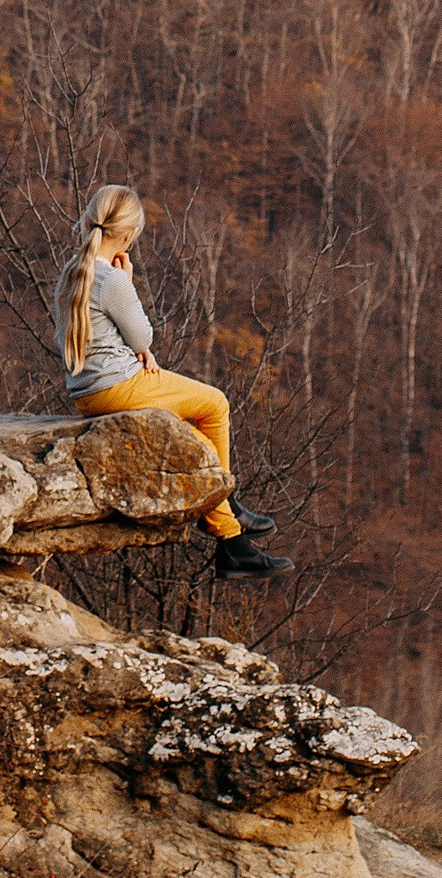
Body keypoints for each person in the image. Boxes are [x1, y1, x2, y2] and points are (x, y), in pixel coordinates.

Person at [55, 182, 292, 582]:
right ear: (128, 236)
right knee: (215, 404)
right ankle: (229, 520)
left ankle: (231, 529)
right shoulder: (112, 281)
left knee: (194, 433)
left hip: (88, 392)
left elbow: (92, 335)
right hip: (119, 387)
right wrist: (127, 285)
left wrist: (133, 351)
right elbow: (144, 336)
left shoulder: (73, 271)